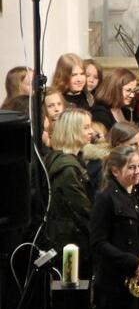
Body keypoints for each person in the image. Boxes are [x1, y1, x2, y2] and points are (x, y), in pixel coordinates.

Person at [90, 146, 139, 309]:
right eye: (131, 168)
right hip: (116, 285)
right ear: (115, 170)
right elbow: (98, 242)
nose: (138, 172)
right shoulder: (105, 198)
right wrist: (132, 263)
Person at [43, 109, 95, 276]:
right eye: (86, 127)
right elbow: (82, 210)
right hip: (69, 244)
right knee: (72, 296)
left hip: (68, 240)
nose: (91, 131)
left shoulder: (61, 159)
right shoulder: (68, 168)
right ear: (72, 129)